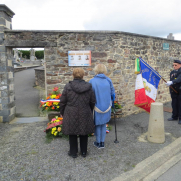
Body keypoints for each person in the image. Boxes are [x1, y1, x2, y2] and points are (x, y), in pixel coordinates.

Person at [59, 68, 95, 158]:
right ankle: (83, 152)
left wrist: (62, 112)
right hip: (85, 111)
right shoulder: (89, 86)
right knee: (84, 132)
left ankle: (73, 152)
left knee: (72, 132)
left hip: (71, 111)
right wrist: (89, 109)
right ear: (83, 75)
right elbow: (93, 101)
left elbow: (63, 101)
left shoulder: (68, 86)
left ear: (73, 75)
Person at [89, 64, 115, 149]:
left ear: (96, 70)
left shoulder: (92, 81)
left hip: (97, 107)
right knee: (103, 125)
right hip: (107, 106)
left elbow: (89, 95)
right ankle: (102, 142)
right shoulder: (108, 80)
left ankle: (98, 142)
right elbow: (113, 94)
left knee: (97, 125)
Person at [166, 60, 181, 124]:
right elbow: (171, 79)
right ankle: (174, 116)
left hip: (180, 90)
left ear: (180, 65)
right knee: (174, 104)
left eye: (176, 65)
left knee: (180, 104)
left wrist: (172, 82)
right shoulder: (172, 72)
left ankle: (180, 118)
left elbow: (179, 79)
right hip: (173, 91)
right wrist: (169, 83)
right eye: (173, 65)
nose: (174, 66)